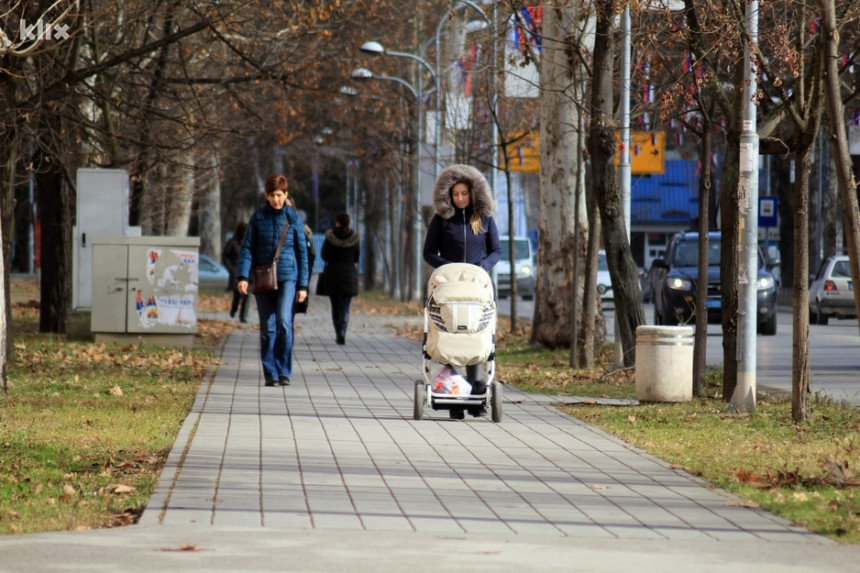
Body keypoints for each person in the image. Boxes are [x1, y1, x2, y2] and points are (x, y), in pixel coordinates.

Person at [423, 164, 501, 419]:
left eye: (464, 194)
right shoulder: (442, 220)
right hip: (450, 287)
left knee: (476, 336)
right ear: (448, 195)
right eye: (455, 194)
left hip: (477, 287)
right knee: (450, 334)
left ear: (473, 193)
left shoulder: (485, 219)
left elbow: (496, 251)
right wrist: (449, 268)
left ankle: (477, 391)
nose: (459, 199)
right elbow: (428, 252)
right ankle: (454, 396)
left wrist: (482, 267)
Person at [237, 174, 309, 387]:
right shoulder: (258, 218)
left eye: (279, 195)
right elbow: (247, 248)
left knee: (284, 324)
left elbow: (301, 253)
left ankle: (284, 370)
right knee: (268, 328)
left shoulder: (293, 218)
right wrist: (243, 276)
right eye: (271, 195)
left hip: (288, 277)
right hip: (263, 277)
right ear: (266, 196)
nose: (275, 199)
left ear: (286, 195)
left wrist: (303, 285)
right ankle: (270, 372)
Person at [319, 213, 360, 345]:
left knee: (335, 305)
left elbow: (324, 255)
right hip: (349, 274)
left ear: (337, 222)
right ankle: (343, 330)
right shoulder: (354, 238)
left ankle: (338, 333)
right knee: (345, 306)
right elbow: (356, 257)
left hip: (333, 274)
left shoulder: (330, 237)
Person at [222, 221, 249, 323]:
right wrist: (231, 268)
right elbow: (225, 256)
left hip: (247, 272)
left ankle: (243, 316)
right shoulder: (232, 242)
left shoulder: (249, 242)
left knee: (246, 295)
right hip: (236, 272)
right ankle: (233, 310)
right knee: (237, 294)